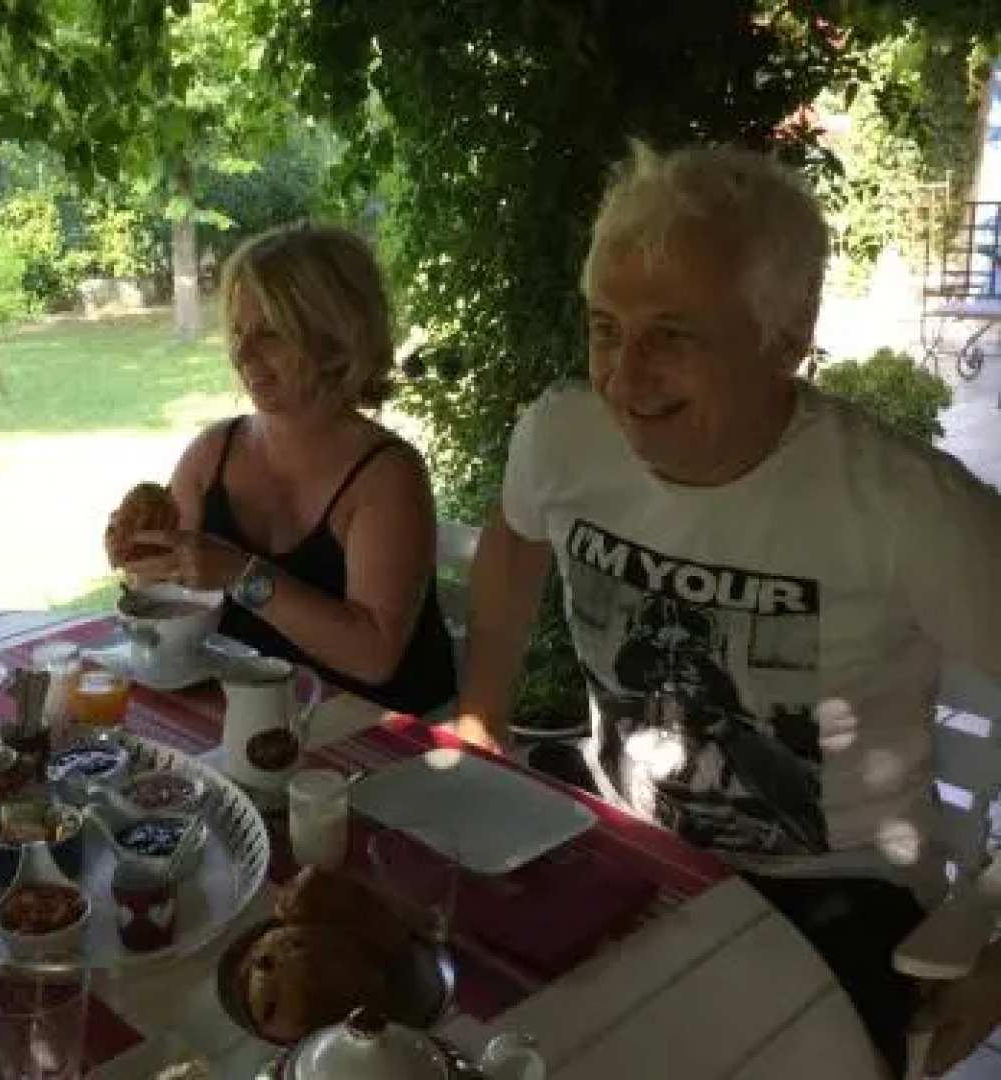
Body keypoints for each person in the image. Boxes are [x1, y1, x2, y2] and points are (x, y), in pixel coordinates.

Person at [455, 142, 1001, 1078]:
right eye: (605, 327)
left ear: (786, 335)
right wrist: (478, 717)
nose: (625, 379)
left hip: (836, 899)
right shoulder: (562, 438)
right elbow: (512, 543)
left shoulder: (906, 508)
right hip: (623, 848)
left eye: (672, 334)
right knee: (449, 1003)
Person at [111, 221, 457, 718]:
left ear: (336, 340)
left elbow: (375, 656)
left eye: (269, 332)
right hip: (255, 719)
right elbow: (167, 598)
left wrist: (238, 573)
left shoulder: (387, 476)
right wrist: (142, 555)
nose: (242, 352)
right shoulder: (212, 455)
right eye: (237, 330)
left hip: (381, 738)